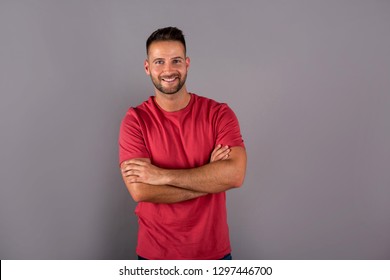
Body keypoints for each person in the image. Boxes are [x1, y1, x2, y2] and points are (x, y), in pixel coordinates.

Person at [119, 27, 247, 260]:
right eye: (159, 62)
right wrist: (210, 178)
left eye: (176, 60)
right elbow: (140, 190)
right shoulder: (135, 120)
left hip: (213, 255)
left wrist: (162, 176)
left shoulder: (219, 114)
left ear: (187, 64)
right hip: (155, 256)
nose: (168, 70)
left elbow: (235, 175)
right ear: (148, 68)